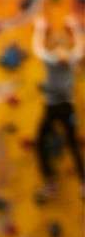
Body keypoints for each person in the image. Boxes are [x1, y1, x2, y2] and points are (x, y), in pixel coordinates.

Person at [32, 15, 85, 201]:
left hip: (64, 107)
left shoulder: (62, 59)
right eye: (59, 48)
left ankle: (81, 182)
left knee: (72, 143)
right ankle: (51, 181)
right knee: (41, 142)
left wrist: (73, 27)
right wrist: (74, 27)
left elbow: (79, 46)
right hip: (54, 107)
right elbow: (38, 48)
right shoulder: (57, 59)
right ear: (56, 50)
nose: (62, 53)